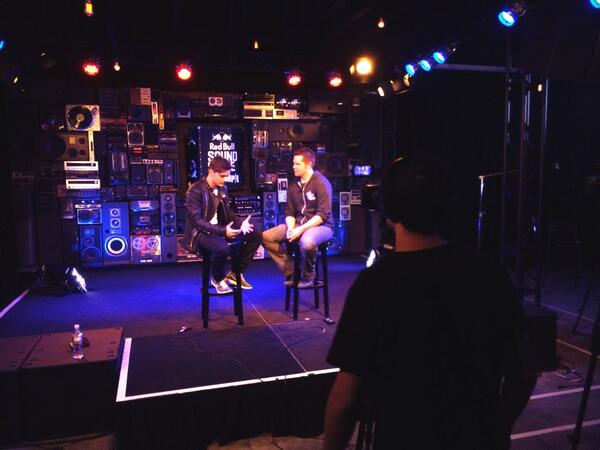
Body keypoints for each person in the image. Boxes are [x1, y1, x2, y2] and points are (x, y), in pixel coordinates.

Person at [323, 155, 537, 450]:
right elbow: (524, 372)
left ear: (388, 209)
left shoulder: (374, 285)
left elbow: (344, 401)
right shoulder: (490, 273)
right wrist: (498, 428)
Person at [182, 156, 261, 294]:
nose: (225, 180)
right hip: (200, 233)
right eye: (222, 176)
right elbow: (197, 221)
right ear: (211, 172)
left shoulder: (222, 188)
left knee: (255, 234)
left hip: (219, 229)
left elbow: (228, 214)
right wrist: (224, 231)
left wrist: (241, 224)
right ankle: (218, 278)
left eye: (226, 176)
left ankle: (235, 272)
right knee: (222, 247)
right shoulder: (195, 190)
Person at [262, 147, 334, 289]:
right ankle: (293, 272)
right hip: (298, 224)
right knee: (266, 237)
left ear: (308, 165)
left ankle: (308, 277)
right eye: (293, 163)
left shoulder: (321, 183)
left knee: (307, 242)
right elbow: (289, 212)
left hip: (322, 226)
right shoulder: (293, 185)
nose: (293, 166)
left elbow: (322, 215)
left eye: (297, 164)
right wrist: (290, 228)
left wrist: (300, 230)